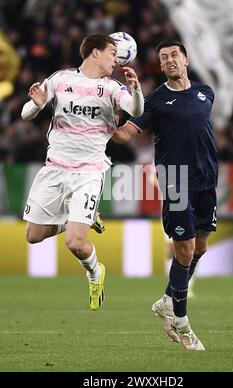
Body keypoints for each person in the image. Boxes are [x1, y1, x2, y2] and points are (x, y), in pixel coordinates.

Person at [21, 34, 144, 311]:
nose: (117, 59)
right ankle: (83, 217)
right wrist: (38, 104)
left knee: (75, 243)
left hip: (89, 172)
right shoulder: (61, 79)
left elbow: (135, 109)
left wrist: (136, 90)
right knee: (33, 236)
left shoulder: (112, 88)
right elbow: (25, 113)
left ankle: (95, 273)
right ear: (95, 53)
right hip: (54, 169)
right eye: (113, 52)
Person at [113, 40, 218, 351]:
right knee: (183, 251)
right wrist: (102, 120)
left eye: (174, 55)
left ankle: (168, 299)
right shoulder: (154, 101)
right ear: (160, 67)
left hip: (207, 181)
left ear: (185, 60)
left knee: (199, 248)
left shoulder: (205, 93)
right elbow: (124, 134)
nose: (170, 60)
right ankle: (182, 323)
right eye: (163, 58)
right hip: (174, 181)